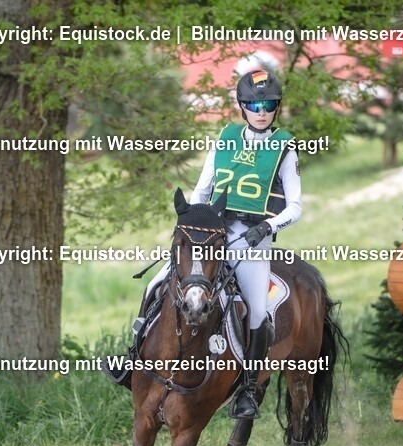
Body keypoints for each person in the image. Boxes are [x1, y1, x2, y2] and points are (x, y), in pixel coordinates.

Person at [104, 68, 302, 420]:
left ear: (276, 107)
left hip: (252, 241)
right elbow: (201, 191)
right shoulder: (225, 138)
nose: (261, 111)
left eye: (268, 104)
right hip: (212, 234)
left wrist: (268, 227)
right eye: (254, 104)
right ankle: (131, 361)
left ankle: (247, 390)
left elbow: (296, 207)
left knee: (257, 310)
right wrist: (194, 223)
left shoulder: (285, 147)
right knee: (155, 284)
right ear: (242, 106)